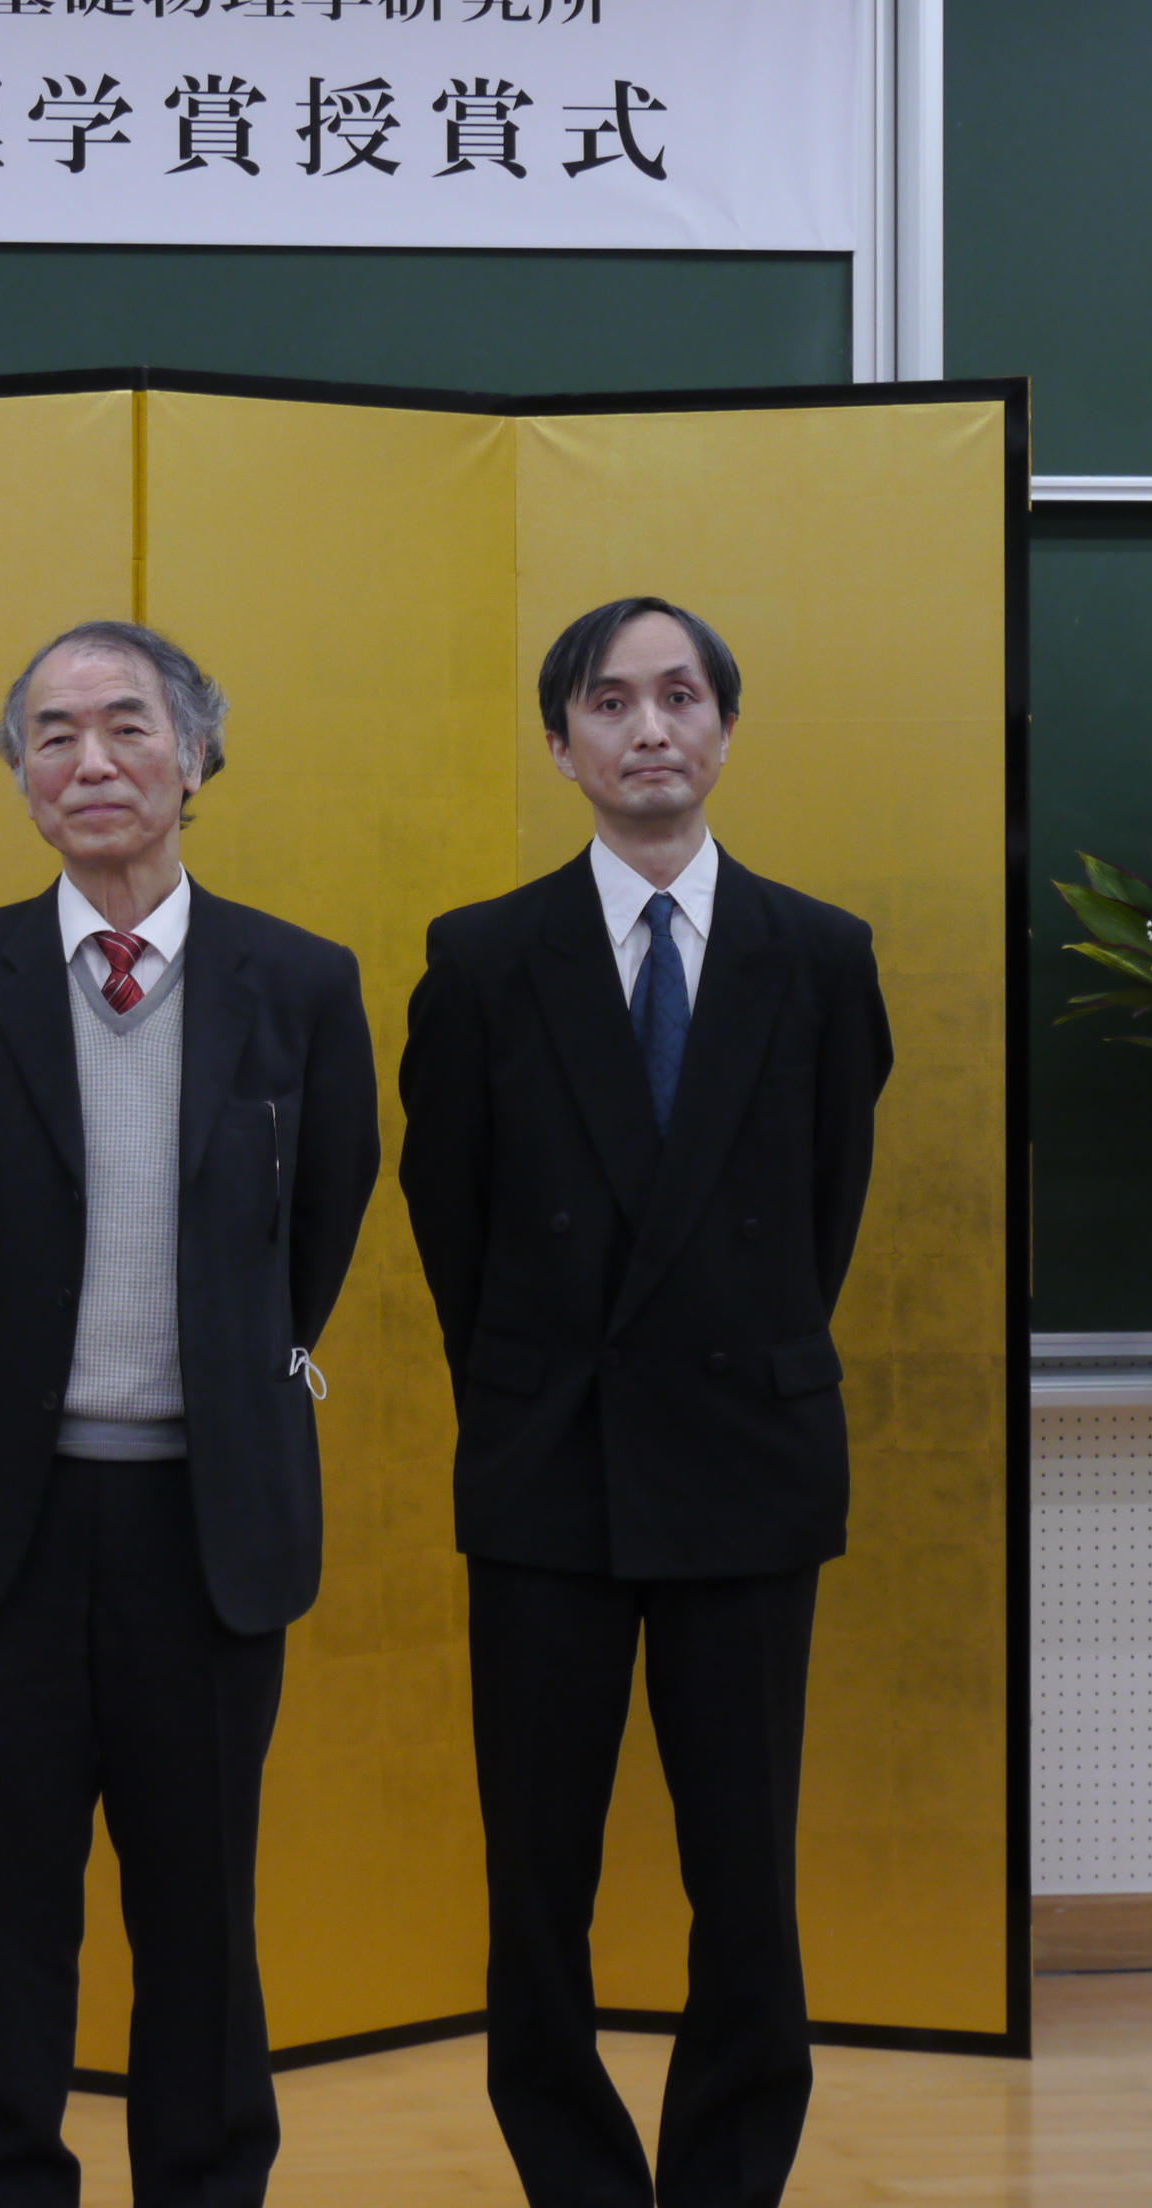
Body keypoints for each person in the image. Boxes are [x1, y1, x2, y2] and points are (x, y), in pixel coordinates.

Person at [0, 620, 380, 2208]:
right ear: (21, 777)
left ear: (197, 756)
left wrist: (225, 1363)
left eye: (128, 726)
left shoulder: (301, 980)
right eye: (53, 734)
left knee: (202, 1917)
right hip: (0, 1524)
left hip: (207, 1525)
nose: (92, 761)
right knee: (4, 1915)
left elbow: (321, 1222)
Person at [398, 598, 891, 2208]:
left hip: (748, 1461)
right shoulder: (482, 959)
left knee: (745, 1875)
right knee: (539, 1879)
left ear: (727, 729)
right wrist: (538, 1389)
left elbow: (821, 1211)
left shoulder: (819, 954)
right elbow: (453, 1224)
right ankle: (579, 2183)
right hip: (548, 1467)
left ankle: (728, 2179)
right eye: (610, 703)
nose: (650, 728)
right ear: (563, 745)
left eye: (681, 696)